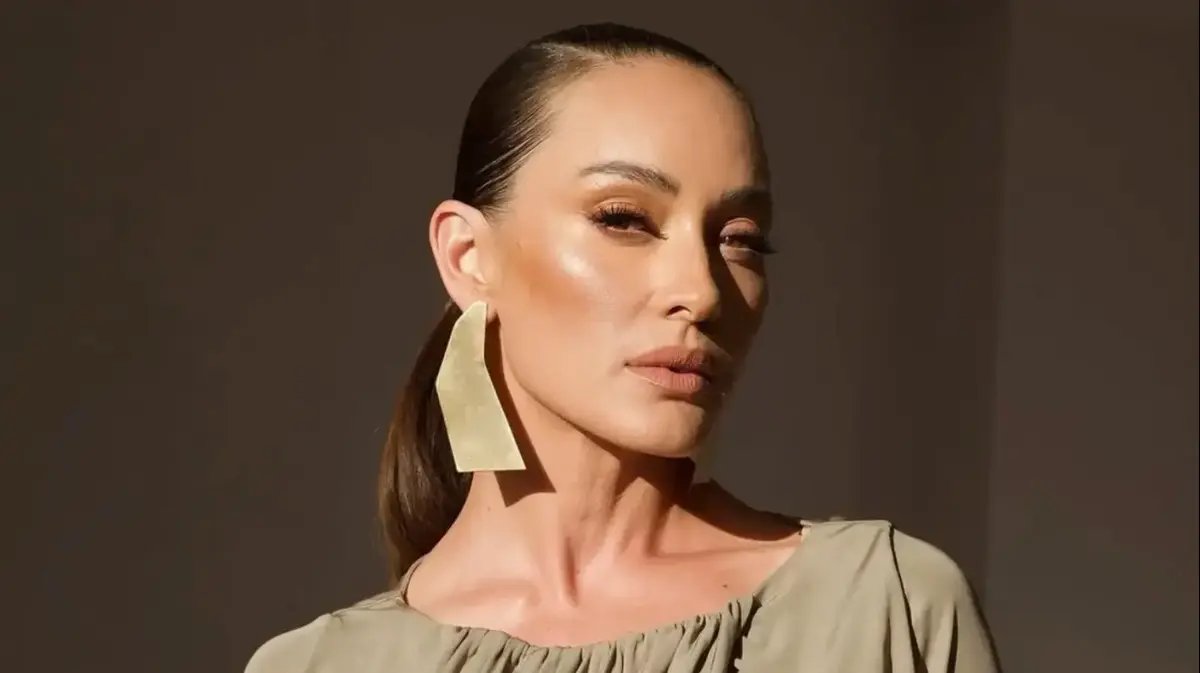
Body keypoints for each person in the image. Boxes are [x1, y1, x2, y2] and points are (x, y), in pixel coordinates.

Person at [245, 22, 1000, 673]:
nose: (702, 291)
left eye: (740, 239)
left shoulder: (883, 608)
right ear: (468, 257)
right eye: (624, 219)